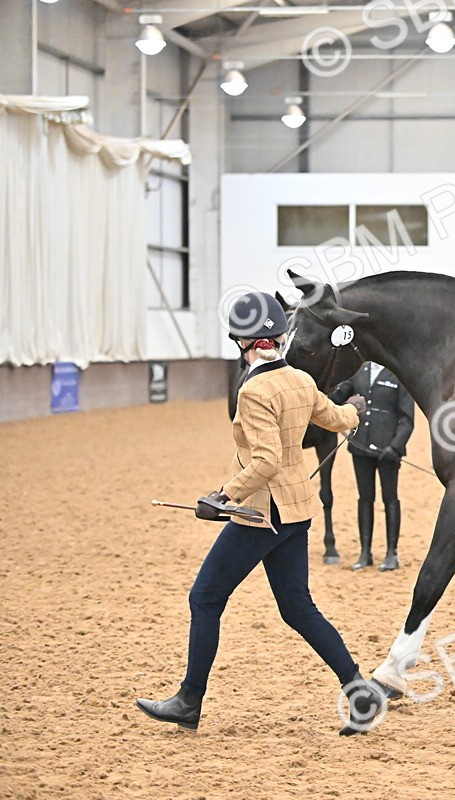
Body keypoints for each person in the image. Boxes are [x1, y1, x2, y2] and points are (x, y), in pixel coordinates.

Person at [136, 292, 388, 736]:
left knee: (204, 598)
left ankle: (189, 701)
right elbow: (334, 418)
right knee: (297, 608)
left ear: (241, 342)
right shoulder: (299, 379)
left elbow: (265, 461)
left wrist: (222, 496)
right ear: (279, 338)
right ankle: (360, 691)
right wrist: (355, 411)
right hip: (296, 511)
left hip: (262, 514)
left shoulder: (253, 391)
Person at [331, 362, 415, 572]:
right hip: (361, 446)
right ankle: (365, 552)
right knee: (365, 498)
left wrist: (396, 447)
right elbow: (337, 397)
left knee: (390, 498)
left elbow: (407, 419)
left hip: (387, 450)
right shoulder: (359, 370)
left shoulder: (398, 373)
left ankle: (391, 553)